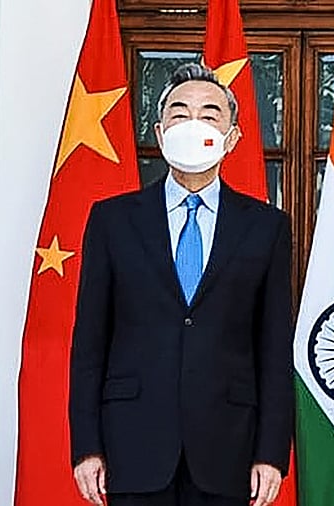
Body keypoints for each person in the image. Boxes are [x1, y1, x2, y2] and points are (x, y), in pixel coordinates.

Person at [69, 63, 294, 506]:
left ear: (232, 137)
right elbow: (90, 342)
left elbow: (273, 348)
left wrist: (270, 453)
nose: (194, 124)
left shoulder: (266, 227)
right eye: (179, 113)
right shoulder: (113, 220)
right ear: (160, 132)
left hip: (228, 449)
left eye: (209, 114)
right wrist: (87, 447)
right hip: (132, 445)